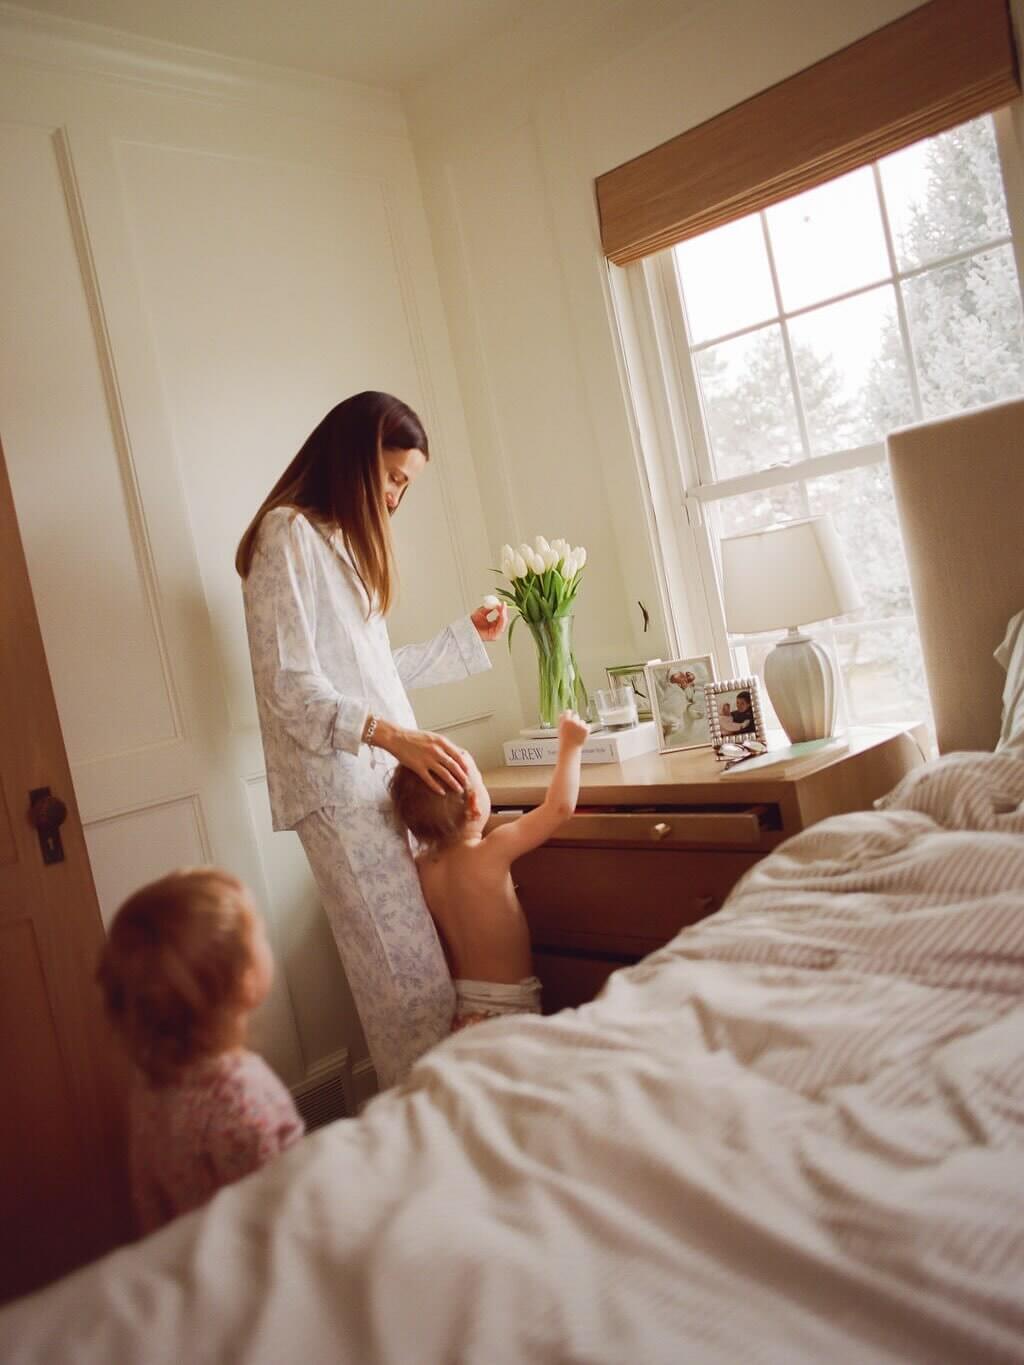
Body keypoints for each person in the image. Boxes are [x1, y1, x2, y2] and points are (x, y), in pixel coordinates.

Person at [236, 391, 508, 1088]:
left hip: (375, 786)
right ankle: (415, 1148)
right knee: (404, 986)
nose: (395, 497)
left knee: (428, 976)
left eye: (405, 485)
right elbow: (288, 685)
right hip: (336, 790)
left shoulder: (342, 551)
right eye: (392, 477)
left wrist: (462, 640)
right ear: (355, 460)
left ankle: (440, 1129)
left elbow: (373, 677)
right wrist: (393, 737)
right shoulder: (285, 534)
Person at [96, 868, 304, 1234]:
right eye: (261, 937)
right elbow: (284, 1210)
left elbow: (149, 1200)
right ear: (243, 980)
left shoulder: (151, 1085)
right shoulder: (242, 1095)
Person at [389, 711, 589, 1030]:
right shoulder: (491, 851)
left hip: (462, 1010)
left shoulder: (422, 868)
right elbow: (559, 808)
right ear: (474, 805)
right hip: (509, 1008)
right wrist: (570, 746)